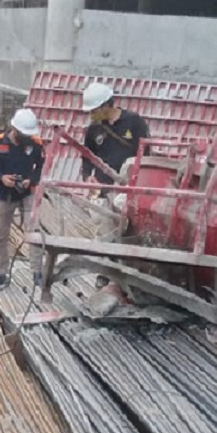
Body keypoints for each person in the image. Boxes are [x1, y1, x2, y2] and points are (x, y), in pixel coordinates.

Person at [81, 82, 150, 288]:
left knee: (124, 228)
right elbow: (87, 155)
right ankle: (104, 271)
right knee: (103, 228)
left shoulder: (134, 122)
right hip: (103, 185)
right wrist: (87, 177)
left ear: (106, 105)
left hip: (127, 185)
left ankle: (123, 270)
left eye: (94, 110)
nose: (92, 115)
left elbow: (145, 152)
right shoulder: (94, 129)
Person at [0, 109, 45, 288]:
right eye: (25, 134)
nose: (27, 137)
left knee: (33, 232)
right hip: (4, 194)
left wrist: (30, 180)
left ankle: (37, 271)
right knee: (1, 234)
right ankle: (1, 272)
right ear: (15, 129)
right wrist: (1, 178)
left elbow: (41, 167)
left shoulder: (36, 144)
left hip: (27, 192)